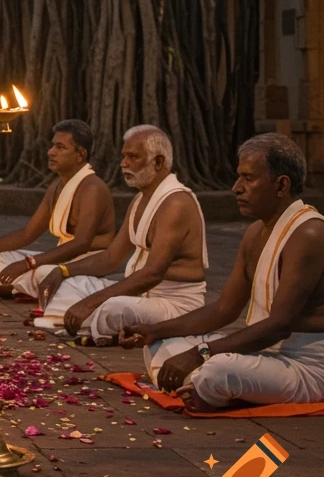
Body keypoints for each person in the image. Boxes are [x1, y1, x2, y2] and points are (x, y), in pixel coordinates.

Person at [121, 134, 324, 410]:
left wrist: (201, 353)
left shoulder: (310, 233)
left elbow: (279, 325)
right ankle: (212, 388)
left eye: (248, 178)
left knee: (217, 369)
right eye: (238, 177)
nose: (235, 188)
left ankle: (213, 386)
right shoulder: (255, 233)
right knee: (164, 346)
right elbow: (224, 310)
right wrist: (154, 331)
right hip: (265, 355)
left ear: (281, 185)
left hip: (306, 367)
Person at [36, 125, 207, 341]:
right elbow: (110, 257)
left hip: (172, 304)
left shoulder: (176, 203)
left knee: (112, 308)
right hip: (139, 297)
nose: (123, 164)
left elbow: (152, 274)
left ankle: (103, 330)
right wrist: (62, 271)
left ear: (158, 162)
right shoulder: (140, 199)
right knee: (60, 280)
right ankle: (97, 327)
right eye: (124, 156)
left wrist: (91, 302)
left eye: (133, 157)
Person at [0, 120, 115, 298]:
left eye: (60, 147)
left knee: (44, 273)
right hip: (62, 258)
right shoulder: (57, 186)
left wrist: (28, 263)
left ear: (80, 154)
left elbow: (81, 244)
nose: (51, 152)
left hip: (87, 263)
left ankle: (10, 288)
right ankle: (17, 288)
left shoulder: (92, 188)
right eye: (52, 146)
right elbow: (27, 233)